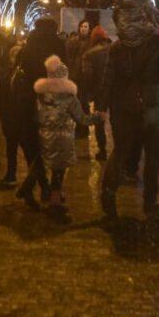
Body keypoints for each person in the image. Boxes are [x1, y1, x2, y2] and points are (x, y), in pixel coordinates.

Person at [95, 0, 159, 219]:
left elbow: (108, 77)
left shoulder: (117, 46)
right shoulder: (157, 41)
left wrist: (102, 106)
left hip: (122, 106)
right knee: (152, 155)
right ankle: (150, 202)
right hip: (150, 103)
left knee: (121, 150)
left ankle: (108, 192)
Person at [18, 55, 101, 212]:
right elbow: (82, 119)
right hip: (63, 137)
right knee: (58, 169)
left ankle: (27, 188)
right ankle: (54, 203)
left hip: (44, 135)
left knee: (42, 163)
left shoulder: (41, 95)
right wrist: (98, 117)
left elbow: (36, 116)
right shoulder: (69, 98)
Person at [12, 16, 66, 203]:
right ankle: (51, 191)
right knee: (55, 146)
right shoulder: (58, 44)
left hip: (29, 101)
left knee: (34, 146)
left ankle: (41, 186)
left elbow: (21, 69)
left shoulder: (29, 44)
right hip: (53, 101)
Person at [0, 34, 25, 186]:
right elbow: (1, 92)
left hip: (20, 115)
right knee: (11, 147)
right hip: (9, 115)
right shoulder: (6, 72)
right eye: (12, 54)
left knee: (27, 149)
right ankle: (11, 173)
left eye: (17, 54)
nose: (14, 56)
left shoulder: (24, 73)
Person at [80, 25, 112, 160]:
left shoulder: (89, 54)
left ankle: (102, 150)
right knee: (117, 121)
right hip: (115, 91)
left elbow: (87, 75)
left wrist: (89, 92)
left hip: (99, 92)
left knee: (99, 121)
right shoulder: (114, 50)